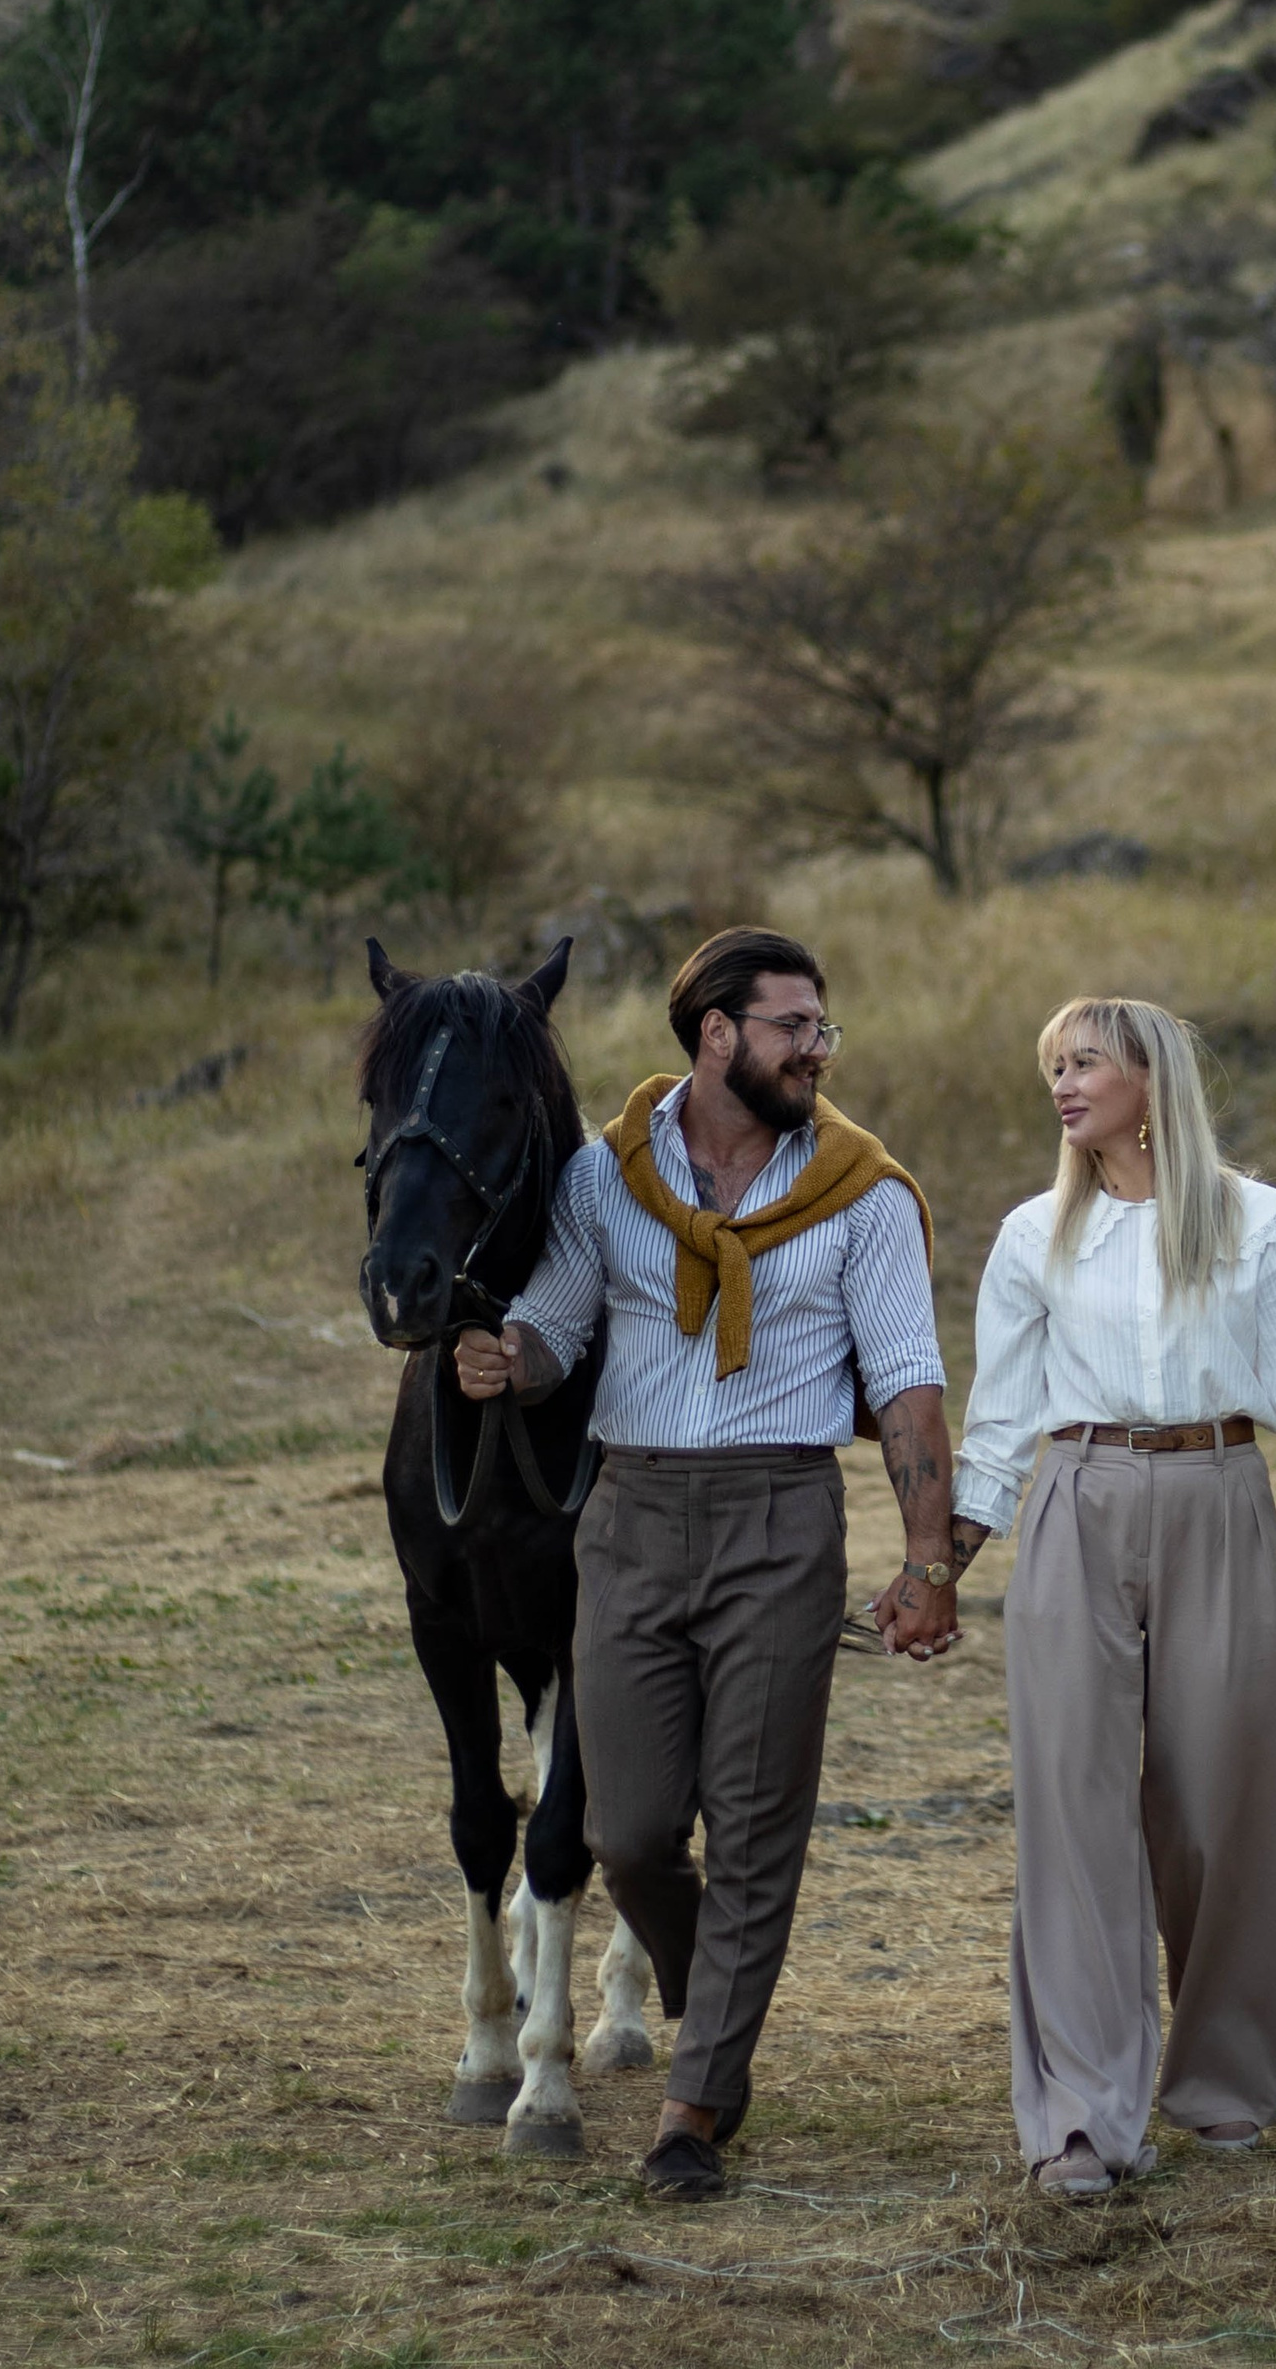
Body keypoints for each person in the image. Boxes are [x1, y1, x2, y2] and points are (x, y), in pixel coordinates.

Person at [453, 925, 958, 2202]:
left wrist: (927, 1557)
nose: (817, 1049)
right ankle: (714, 1985)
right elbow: (562, 1320)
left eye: (822, 1027)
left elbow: (905, 1383)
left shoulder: (863, 1191)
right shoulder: (604, 1176)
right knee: (626, 1836)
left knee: (753, 1832)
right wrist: (512, 1359)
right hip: (626, 1519)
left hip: (780, 1519)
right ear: (717, 1031)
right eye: (794, 1025)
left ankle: (694, 2106)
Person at [942, 996, 1276, 2197]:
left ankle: (1222, 2089)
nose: (1062, 1085)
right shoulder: (1034, 1233)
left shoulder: (1261, 1221)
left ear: (1147, 1076)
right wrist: (941, 1563)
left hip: (1221, 1491)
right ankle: (1080, 2118)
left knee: (1221, 1801)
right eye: (1051, 1065)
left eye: (1082, 1063)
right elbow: (1002, 1414)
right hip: (1075, 1500)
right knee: (1071, 1808)